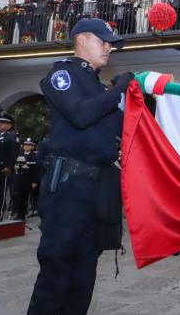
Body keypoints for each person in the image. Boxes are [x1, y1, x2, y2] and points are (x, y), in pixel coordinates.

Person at [27, 18, 133, 315]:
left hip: (97, 190)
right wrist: (117, 92)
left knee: (84, 275)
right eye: (104, 41)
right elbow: (80, 114)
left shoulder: (99, 87)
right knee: (57, 271)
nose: (109, 48)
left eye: (111, 43)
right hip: (68, 189)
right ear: (82, 40)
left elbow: (119, 131)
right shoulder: (64, 73)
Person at [11, 138, 37, 221]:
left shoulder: (34, 156)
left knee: (24, 198)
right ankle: (16, 213)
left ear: (33, 146)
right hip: (19, 179)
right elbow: (17, 167)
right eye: (25, 144)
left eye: (29, 145)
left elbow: (36, 170)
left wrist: (34, 181)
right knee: (16, 197)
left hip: (27, 180)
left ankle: (22, 215)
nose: (27, 146)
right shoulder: (20, 154)